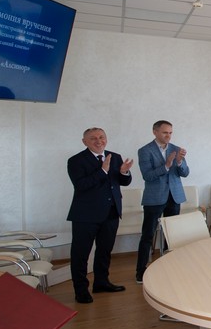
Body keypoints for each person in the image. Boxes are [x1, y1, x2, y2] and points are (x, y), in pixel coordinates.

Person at [66, 127, 132, 303]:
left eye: (101, 137)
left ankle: (101, 282)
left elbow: (123, 182)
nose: (98, 141)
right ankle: (81, 290)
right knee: (80, 255)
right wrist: (102, 170)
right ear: (84, 142)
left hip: (111, 213)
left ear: (106, 139)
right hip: (85, 216)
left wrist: (124, 172)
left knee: (104, 251)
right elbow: (81, 185)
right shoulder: (76, 160)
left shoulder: (115, 157)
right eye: (93, 138)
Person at [135, 120, 190, 283]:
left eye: (170, 132)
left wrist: (179, 162)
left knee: (171, 235)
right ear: (155, 132)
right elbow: (147, 176)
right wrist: (166, 165)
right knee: (148, 235)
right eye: (165, 132)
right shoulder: (145, 151)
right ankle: (140, 271)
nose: (168, 136)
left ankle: (170, 267)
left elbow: (185, 173)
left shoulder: (176, 149)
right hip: (154, 198)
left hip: (174, 197)